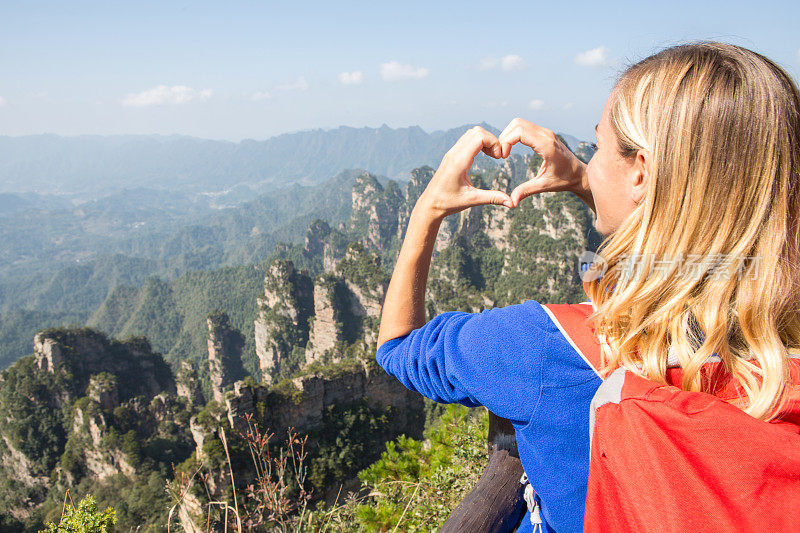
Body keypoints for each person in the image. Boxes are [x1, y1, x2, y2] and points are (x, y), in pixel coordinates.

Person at [374, 41, 800, 532]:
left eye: (597, 147)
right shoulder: (775, 325)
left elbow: (398, 347)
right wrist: (583, 178)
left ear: (640, 170)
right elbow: (669, 267)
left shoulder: (543, 346)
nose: (589, 162)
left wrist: (427, 210)